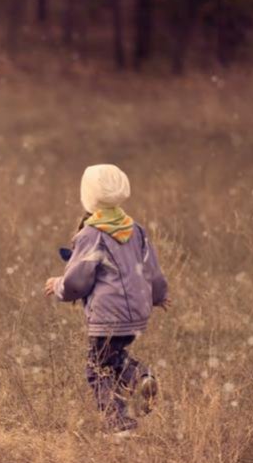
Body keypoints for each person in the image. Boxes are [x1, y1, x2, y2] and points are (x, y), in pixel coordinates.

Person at [44, 164, 170, 433]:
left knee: (97, 369)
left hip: (107, 315)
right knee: (112, 358)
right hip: (136, 314)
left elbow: (78, 281)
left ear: (87, 196)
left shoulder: (91, 235)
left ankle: (120, 423)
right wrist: (158, 296)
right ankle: (141, 377)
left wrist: (58, 286)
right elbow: (152, 270)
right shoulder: (136, 230)